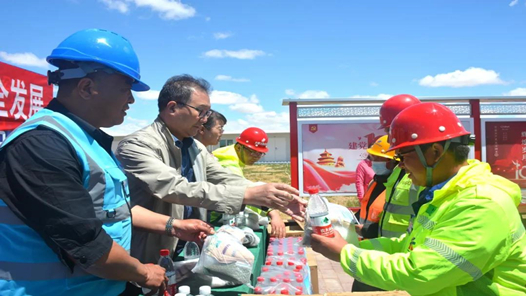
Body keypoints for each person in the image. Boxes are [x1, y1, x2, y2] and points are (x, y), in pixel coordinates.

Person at [0, 29, 210, 296]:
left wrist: (173, 225)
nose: (131, 100)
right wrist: (144, 272)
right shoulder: (40, 146)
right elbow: (86, 242)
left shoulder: (86, 139)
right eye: (125, 89)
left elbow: (112, 210)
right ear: (87, 87)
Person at [311, 102, 526, 295]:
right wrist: (352, 244)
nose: (401, 166)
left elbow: (420, 274)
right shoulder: (445, 195)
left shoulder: (480, 204)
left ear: (435, 151)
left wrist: (345, 254)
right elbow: (409, 245)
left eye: (403, 156)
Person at [115, 74, 306, 266]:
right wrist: (247, 194)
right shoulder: (138, 145)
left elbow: (224, 177)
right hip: (153, 250)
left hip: (191, 243)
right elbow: (174, 187)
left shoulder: (193, 146)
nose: (205, 119)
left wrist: (274, 196)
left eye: (208, 112)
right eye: (201, 111)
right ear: (172, 107)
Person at [212, 127, 287, 238]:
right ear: (239, 147)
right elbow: (243, 192)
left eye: (260, 154)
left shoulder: (229, 154)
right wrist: (272, 212)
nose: (256, 157)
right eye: (253, 152)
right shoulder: (227, 163)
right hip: (214, 217)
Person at [376, 94, 422, 238]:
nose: (389, 139)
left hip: (407, 253)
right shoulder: (399, 169)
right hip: (391, 247)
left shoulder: (429, 173)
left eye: (389, 131)